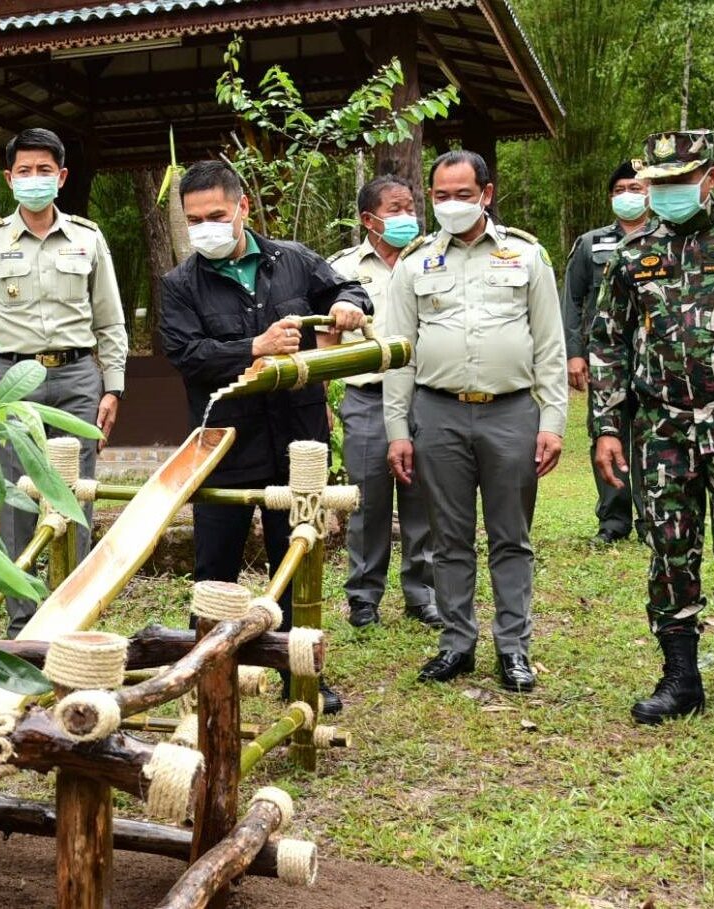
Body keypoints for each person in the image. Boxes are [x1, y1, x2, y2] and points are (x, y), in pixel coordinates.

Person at [159, 160, 372, 712]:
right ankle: (205, 676)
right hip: (226, 443)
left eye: (216, 215)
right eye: (194, 219)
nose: (205, 226)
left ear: (243, 208)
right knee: (215, 567)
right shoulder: (180, 285)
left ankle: (300, 674)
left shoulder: (294, 261)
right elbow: (186, 355)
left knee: (296, 558)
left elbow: (346, 287)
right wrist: (255, 347)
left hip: (297, 442)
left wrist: (350, 303)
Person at [592, 130, 714, 732]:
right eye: (660, 183)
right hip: (663, 431)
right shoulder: (631, 256)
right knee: (670, 552)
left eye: (681, 181)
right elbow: (608, 345)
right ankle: (680, 678)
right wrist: (606, 428)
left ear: (712, 177)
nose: (668, 193)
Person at [381, 150, 568, 693]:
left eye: (464, 194)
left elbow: (550, 347)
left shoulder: (526, 256)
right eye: (441, 196)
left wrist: (552, 421)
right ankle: (457, 643)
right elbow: (400, 355)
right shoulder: (414, 264)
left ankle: (514, 648)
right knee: (450, 537)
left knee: (512, 537)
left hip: (510, 412)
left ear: (486, 194)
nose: (452, 205)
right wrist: (399, 431)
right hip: (437, 414)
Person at [0, 128, 128, 638]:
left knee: (76, 494)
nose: (35, 180)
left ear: (62, 176)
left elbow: (111, 321)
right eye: (25, 171)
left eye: (45, 170)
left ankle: (71, 611)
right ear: (10, 179)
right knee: (16, 496)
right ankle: (22, 620)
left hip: (78, 376)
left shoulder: (88, 237)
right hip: (11, 379)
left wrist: (113, 386)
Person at [326, 175, 440, 630]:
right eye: (395, 208)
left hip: (426, 397)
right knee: (368, 503)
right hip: (367, 400)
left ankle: (422, 592)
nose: (406, 216)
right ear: (368, 219)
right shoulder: (342, 268)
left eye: (410, 206)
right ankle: (364, 597)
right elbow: (327, 338)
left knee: (422, 499)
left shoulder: (436, 257)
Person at [562, 161, 649, 545]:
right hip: (603, 358)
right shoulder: (590, 243)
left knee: (653, 436)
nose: (627, 196)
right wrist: (574, 353)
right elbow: (573, 300)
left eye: (635, 187)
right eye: (619, 190)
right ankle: (613, 521)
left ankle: (652, 520)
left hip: (654, 357)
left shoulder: (667, 237)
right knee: (607, 433)